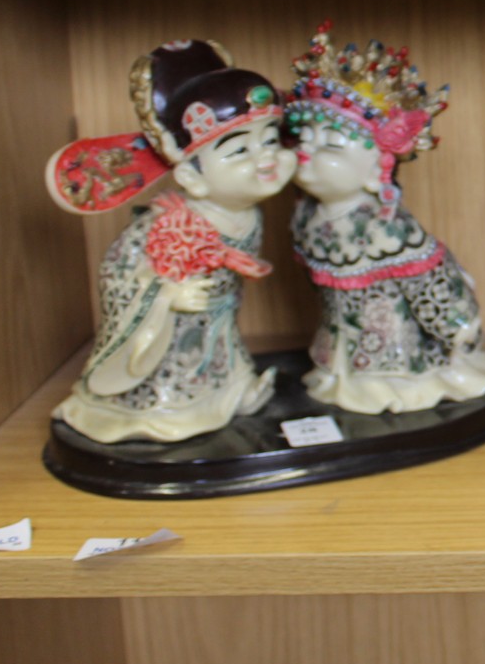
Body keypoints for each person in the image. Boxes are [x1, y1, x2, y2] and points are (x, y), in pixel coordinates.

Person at [46, 40, 298, 443]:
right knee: (177, 382)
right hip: (169, 341)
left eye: (269, 141)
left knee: (221, 361)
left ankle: (225, 391)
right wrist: (166, 296)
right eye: (239, 151)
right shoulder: (173, 224)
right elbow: (120, 271)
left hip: (218, 328)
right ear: (191, 177)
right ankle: (165, 407)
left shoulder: (244, 211)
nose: (266, 158)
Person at [286, 23, 485, 415]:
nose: (306, 153)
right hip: (338, 346)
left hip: (393, 353)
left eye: (331, 147)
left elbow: (434, 284)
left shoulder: (385, 228)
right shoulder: (304, 216)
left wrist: (458, 327)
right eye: (304, 140)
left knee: (387, 377)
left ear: (376, 171)